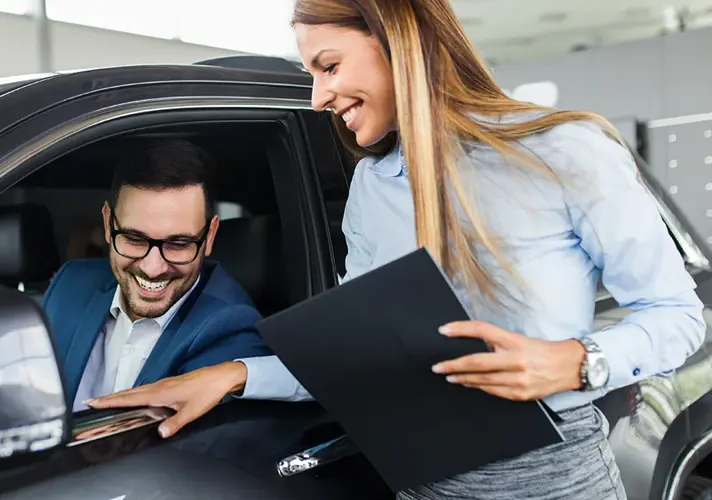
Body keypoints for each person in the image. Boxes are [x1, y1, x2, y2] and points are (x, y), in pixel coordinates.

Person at [87, 1, 706, 498]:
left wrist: (577, 361)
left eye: (328, 66)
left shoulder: (564, 150)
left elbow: (677, 314)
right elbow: (363, 358)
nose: (317, 98)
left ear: (397, 40)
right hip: (412, 482)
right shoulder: (372, 184)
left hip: (550, 481)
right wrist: (229, 376)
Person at [43, 139, 271, 412]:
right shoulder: (70, 284)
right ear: (107, 223)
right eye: (134, 238)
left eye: (178, 244)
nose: (153, 268)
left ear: (209, 236)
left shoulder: (232, 331)